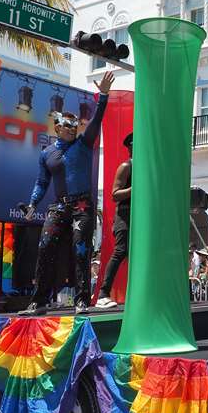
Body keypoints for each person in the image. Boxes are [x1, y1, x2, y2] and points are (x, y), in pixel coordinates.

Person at [20, 71, 115, 316]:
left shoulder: (84, 145)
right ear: (57, 127)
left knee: (80, 249)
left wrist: (102, 96)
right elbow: (41, 182)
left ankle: (82, 300)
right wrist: (32, 204)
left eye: (75, 125)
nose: (73, 128)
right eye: (68, 125)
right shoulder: (47, 153)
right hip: (59, 206)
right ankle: (39, 301)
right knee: (45, 247)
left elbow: (96, 121)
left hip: (82, 205)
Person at [95, 132, 133, 309]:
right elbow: (114, 194)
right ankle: (103, 294)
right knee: (120, 251)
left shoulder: (145, 167)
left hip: (139, 218)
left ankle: (135, 294)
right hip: (125, 217)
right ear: (131, 147)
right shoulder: (126, 166)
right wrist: (135, 188)